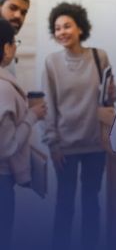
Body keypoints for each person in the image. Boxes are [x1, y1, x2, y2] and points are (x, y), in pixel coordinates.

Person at [42, 2, 113, 250]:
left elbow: (108, 97)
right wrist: (53, 144)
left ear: (80, 28)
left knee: (91, 202)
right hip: (65, 146)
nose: (62, 31)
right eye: (57, 28)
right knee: (64, 203)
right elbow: (49, 105)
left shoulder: (99, 56)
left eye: (67, 26)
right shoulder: (51, 63)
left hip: (95, 142)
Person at [0, 19, 47, 250]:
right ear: (7, 47)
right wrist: (32, 116)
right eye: (14, 42)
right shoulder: (4, 88)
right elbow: (6, 146)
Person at [0, 0, 31, 75]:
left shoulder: (10, 41)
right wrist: (3, 65)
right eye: (13, 8)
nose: (18, 16)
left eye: (23, 13)